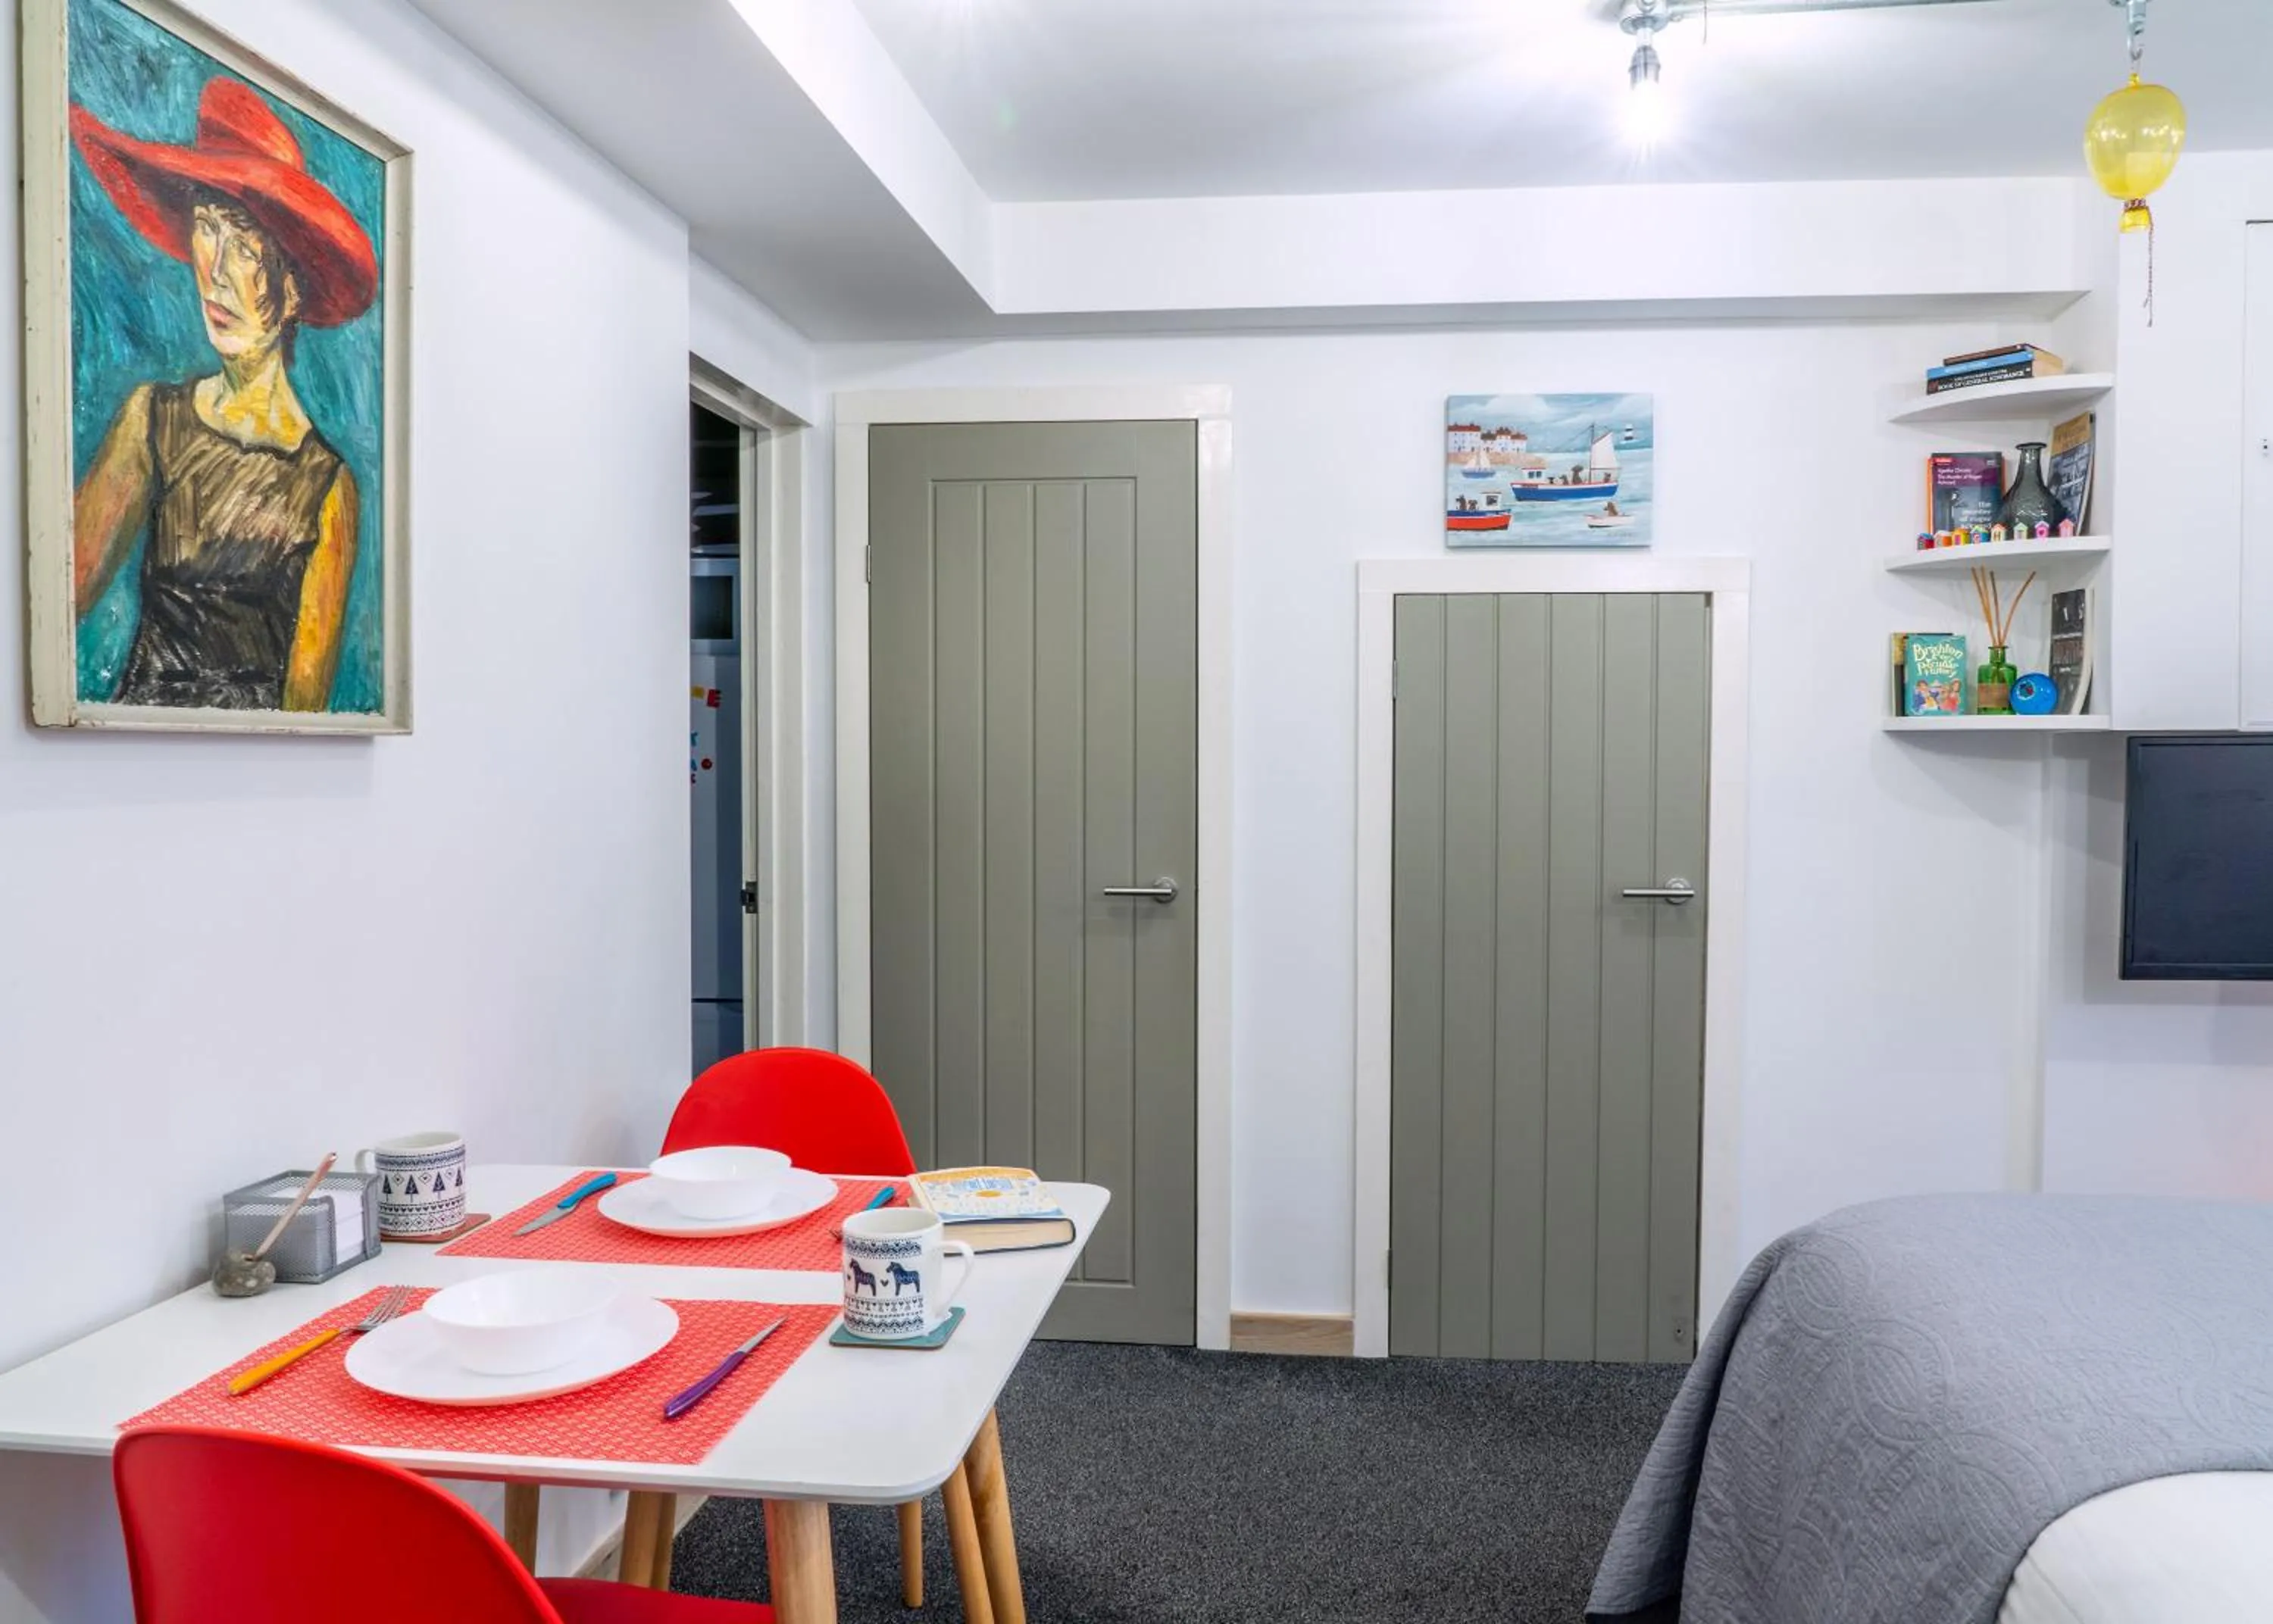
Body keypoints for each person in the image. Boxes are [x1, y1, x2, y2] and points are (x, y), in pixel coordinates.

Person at [69, 76, 377, 711]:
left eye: (244, 245)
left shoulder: (327, 486)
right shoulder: (153, 421)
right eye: (207, 231)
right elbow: (48, 602)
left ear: (294, 289)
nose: (215, 272)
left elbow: (304, 712)